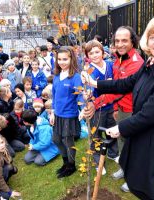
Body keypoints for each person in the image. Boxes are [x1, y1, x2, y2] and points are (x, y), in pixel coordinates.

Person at [81, 14, 154, 200]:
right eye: (153, 37)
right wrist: (95, 83)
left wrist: (120, 128)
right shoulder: (151, 63)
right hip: (143, 135)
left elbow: (150, 114)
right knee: (139, 185)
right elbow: (126, 83)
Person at [84, 26, 145, 192]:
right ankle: (125, 169)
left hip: (133, 109)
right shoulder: (119, 58)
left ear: (133, 41)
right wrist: (115, 108)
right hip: (122, 108)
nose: (120, 44)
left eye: (124, 40)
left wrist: (95, 103)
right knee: (122, 141)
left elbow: (119, 88)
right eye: (117, 41)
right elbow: (114, 86)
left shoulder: (135, 63)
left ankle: (133, 179)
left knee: (133, 144)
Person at [83, 40, 119, 175]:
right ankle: (98, 161)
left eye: (97, 52)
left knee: (112, 130)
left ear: (103, 53)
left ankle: (113, 153)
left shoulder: (110, 65)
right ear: (87, 55)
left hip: (111, 105)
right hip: (97, 108)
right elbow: (89, 90)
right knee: (96, 134)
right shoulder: (88, 71)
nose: (94, 55)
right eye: (91, 53)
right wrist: (87, 94)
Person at [50, 46, 83, 178]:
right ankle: (65, 162)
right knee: (56, 139)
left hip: (69, 115)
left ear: (72, 59)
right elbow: (54, 94)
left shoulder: (75, 77)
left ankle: (71, 165)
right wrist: (52, 112)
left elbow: (80, 95)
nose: (62, 62)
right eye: (59, 59)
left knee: (68, 141)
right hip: (58, 114)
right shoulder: (57, 76)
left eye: (65, 59)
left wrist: (82, 108)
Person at [0, 133, 21, 199]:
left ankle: (5, 183)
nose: (2, 145)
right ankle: (3, 187)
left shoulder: (2, 150)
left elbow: (9, 160)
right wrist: (9, 191)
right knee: (9, 168)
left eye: (2, 142)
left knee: (13, 168)